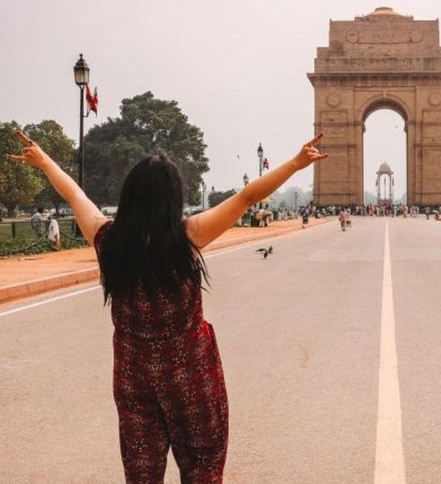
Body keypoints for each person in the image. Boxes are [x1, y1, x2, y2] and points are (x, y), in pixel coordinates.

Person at [8, 129, 326, 483]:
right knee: (202, 468)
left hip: (134, 377)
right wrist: (297, 163)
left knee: (142, 473)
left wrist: (45, 161)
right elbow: (249, 196)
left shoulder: (107, 239)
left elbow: (73, 192)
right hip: (190, 373)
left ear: (129, 196)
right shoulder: (187, 235)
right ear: (174, 198)